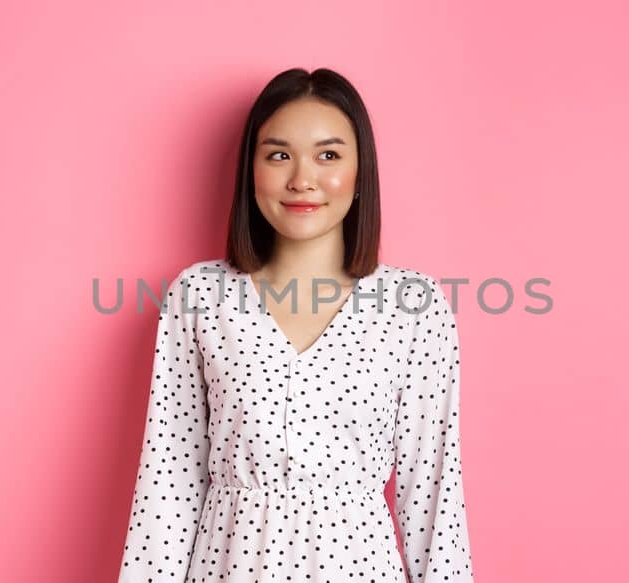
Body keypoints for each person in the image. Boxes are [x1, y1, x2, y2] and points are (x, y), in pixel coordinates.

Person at [118, 67, 475, 582]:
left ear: (360, 173)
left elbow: (434, 493)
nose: (301, 179)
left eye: (328, 155)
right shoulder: (199, 296)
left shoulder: (412, 305)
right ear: (252, 170)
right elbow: (167, 484)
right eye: (279, 154)